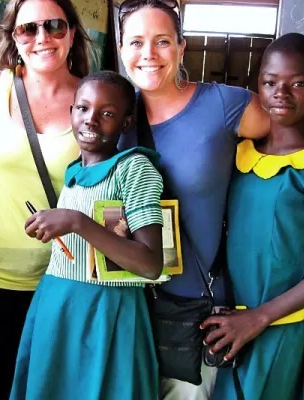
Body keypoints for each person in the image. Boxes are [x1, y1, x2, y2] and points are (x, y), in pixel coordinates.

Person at [116, 0, 271, 398]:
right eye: (135, 42)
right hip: (124, 305)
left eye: (162, 41)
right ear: (120, 49)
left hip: (192, 311)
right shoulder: (112, 115)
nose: (148, 54)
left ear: (182, 48)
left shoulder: (224, 105)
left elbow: (292, 147)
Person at [201, 33, 304, 400]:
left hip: (280, 324)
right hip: (226, 322)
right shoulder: (240, 153)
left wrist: (259, 317)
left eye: (298, 83)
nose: (281, 93)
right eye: (270, 82)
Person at [0, 0, 94, 397]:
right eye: (28, 29)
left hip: (67, 279)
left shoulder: (93, 99)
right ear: (13, 37)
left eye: (54, 26)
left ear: (72, 32)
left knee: (57, 387)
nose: (42, 38)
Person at [10, 70, 163, 400]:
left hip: (106, 314)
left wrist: (77, 222)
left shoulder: (134, 169)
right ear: (71, 112)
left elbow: (150, 265)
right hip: (59, 305)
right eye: (83, 108)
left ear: (125, 122)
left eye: (107, 113)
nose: (91, 120)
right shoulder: (74, 171)